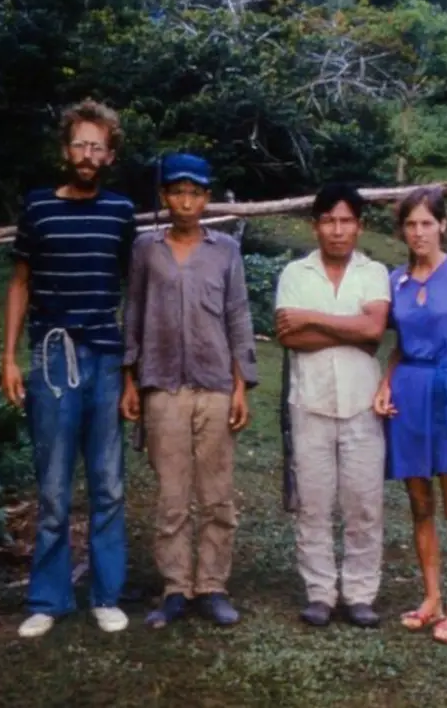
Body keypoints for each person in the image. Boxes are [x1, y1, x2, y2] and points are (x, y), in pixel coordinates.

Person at [1, 99, 135, 639]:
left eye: (97, 147)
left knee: (108, 484)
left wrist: (130, 372)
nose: (87, 154)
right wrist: (9, 358)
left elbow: (134, 292)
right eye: (79, 144)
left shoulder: (121, 212)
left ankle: (106, 595)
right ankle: (48, 598)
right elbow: (19, 285)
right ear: (65, 149)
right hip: (51, 358)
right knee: (54, 487)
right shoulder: (36, 208)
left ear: (109, 155)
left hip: (105, 358)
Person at [120, 153, 257, 629]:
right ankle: (176, 586)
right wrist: (129, 380)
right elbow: (132, 316)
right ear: (164, 197)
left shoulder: (225, 252)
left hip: (216, 384)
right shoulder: (145, 250)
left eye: (195, 192)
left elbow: (239, 318)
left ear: (207, 197)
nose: (186, 201)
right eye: (177, 192)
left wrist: (242, 385)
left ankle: (213, 585)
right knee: (172, 495)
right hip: (162, 386)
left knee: (217, 494)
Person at [373, 187, 447, 645]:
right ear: (401, 231)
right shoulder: (395, 280)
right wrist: (387, 381)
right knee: (419, 502)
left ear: (442, 225)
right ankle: (431, 598)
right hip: (410, 390)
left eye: (427, 223)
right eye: (410, 224)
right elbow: (402, 343)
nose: (419, 232)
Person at [275, 183, 390, 628]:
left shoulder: (374, 272)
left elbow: (374, 330)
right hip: (310, 403)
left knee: (364, 503)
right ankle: (320, 593)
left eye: (346, 221)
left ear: (359, 226)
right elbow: (289, 337)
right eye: (328, 221)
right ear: (315, 225)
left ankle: (361, 594)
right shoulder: (295, 274)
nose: (337, 230)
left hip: (364, 404)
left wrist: (313, 318)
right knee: (314, 504)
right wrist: (350, 328)